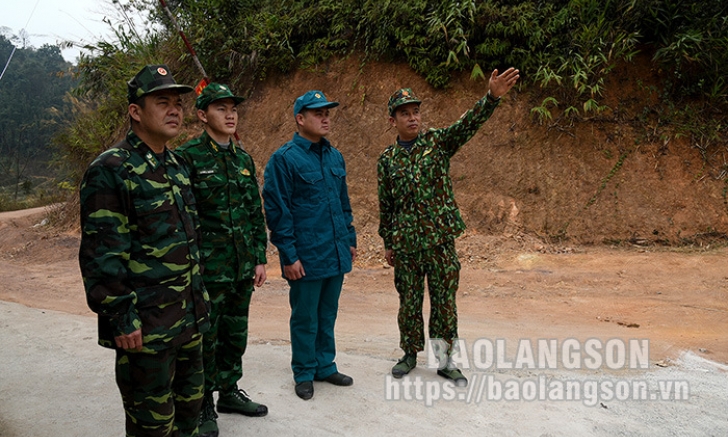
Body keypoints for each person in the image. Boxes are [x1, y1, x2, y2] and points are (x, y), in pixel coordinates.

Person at [78, 64, 210, 437]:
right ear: (135, 111)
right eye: (162, 102)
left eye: (178, 103)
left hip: (188, 319)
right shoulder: (111, 169)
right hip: (146, 329)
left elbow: (189, 241)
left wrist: (201, 304)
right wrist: (120, 317)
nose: (174, 110)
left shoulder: (176, 164)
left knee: (191, 413)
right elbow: (102, 254)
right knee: (151, 425)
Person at [377, 68, 520, 387]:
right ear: (392, 121)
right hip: (406, 244)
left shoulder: (438, 143)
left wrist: (491, 98)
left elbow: (467, 125)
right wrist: (388, 242)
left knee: (444, 302)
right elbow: (385, 204)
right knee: (409, 301)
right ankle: (409, 355)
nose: (412, 118)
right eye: (404, 113)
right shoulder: (387, 161)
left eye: (416, 112)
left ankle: (444, 360)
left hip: (440, 241)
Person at [175, 83, 268, 437]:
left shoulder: (242, 159)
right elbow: (185, 217)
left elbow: (253, 213)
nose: (230, 115)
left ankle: (229, 392)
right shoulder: (189, 156)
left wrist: (259, 258)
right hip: (207, 271)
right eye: (220, 109)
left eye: (233, 109)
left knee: (234, 334)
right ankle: (203, 406)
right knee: (206, 338)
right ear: (202, 115)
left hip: (241, 267)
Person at [262, 90, 357, 401]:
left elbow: (343, 204)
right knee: (305, 316)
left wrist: (350, 239)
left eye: (327, 112)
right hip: (306, 255)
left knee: (328, 312)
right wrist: (288, 256)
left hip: (334, 250)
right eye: (317, 113)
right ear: (300, 119)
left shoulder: (335, 156)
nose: (325, 117)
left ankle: (324, 365)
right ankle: (304, 371)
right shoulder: (284, 160)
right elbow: (278, 211)